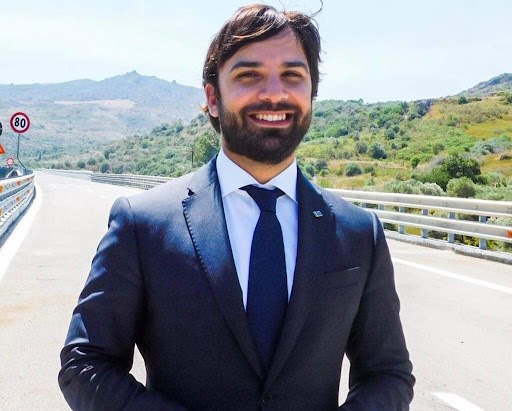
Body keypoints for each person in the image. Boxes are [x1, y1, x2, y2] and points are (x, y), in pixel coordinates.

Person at [59, 4, 414, 410]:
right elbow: (85, 363)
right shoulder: (143, 223)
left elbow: (388, 374)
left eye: (293, 76)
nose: (274, 93)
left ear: (311, 94)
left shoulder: (359, 232)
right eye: (249, 75)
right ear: (213, 98)